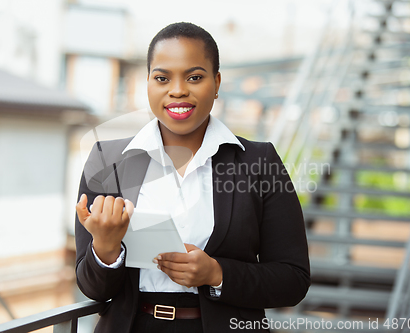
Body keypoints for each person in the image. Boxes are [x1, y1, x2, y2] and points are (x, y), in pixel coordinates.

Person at [74, 22, 310, 333]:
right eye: (162, 78)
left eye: (194, 77)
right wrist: (105, 248)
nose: (177, 90)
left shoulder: (258, 161)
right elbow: (93, 289)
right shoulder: (107, 161)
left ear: (216, 82)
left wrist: (216, 274)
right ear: (147, 83)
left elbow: (293, 279)